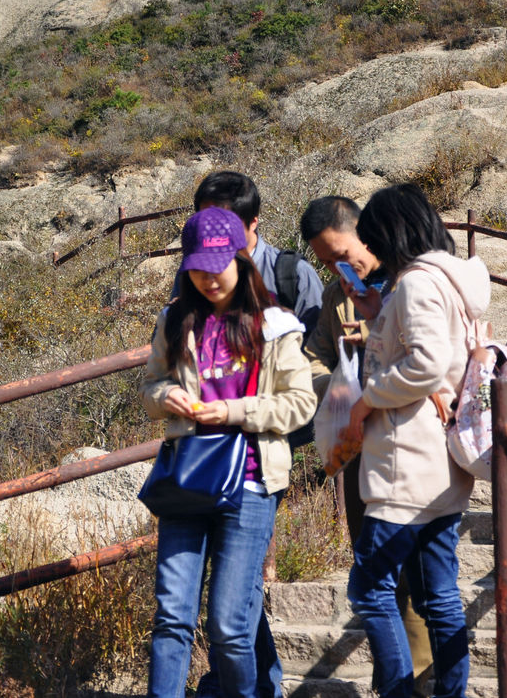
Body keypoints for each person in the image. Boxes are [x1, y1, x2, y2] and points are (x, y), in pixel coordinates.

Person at [141, 206, 316, 698]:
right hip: (188, 479)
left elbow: (300, 404)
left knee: (230, 627)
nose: (208, 278)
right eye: (198, 268)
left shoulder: (275, 324)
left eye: (218, 266)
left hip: (252, 483)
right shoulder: (174, 319)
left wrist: (234, 412)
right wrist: (166, 397)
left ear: (241, 259)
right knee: (171, 618)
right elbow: (150, 387)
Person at [332, 183, 489, 698]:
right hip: (440, 466)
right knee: (437, 595)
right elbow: (426, 353)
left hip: (406, 463)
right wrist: (378, 310)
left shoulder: (418, 283)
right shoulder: (447, 281)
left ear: (393, 232)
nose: (371, 251)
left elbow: (424, 364)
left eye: (374, 239)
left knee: (370, 589)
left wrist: (364, 403)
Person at [299, 196, 436, 696]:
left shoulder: (409, 279)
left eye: (340, 254)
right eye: (325, 262)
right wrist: (338, 384)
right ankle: (391, 678)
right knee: (374, 570)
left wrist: (376, 353)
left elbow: (432, 358)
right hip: (361, 451)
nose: (337, 268)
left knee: (416, 572)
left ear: (364, 232)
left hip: (413, 446)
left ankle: (422, 676)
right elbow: (312, 358)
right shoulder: (338, 296)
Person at [179, 170, 323, 339]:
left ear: (253, 222)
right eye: (206, 221)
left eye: (226, 223)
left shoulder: (294, 273)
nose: (214, 229)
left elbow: (319, 343)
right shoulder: (193, 272)